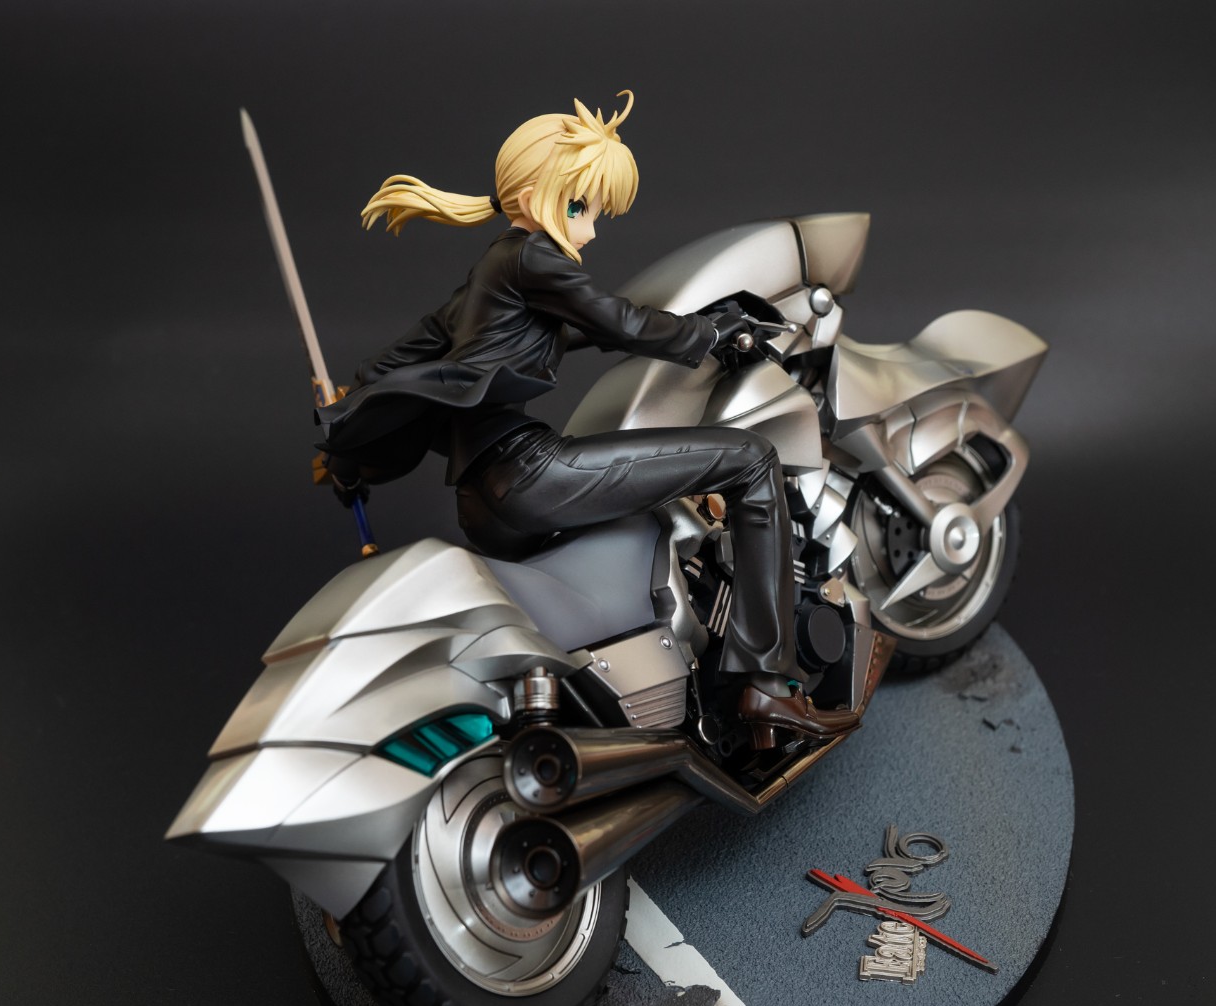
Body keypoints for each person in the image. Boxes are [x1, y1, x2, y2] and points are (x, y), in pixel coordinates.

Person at [317, 91, 856, 739]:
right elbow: (617, 320)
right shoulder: (532, 256)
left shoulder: (488, 277)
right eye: (581, 208)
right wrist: (710, 332)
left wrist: (344, 432)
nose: (591, 229)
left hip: (480, 502)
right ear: (535, 195)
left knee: (641, 524)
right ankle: (765, 682)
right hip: (529, 475)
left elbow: (405, 358)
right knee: (750, 459)